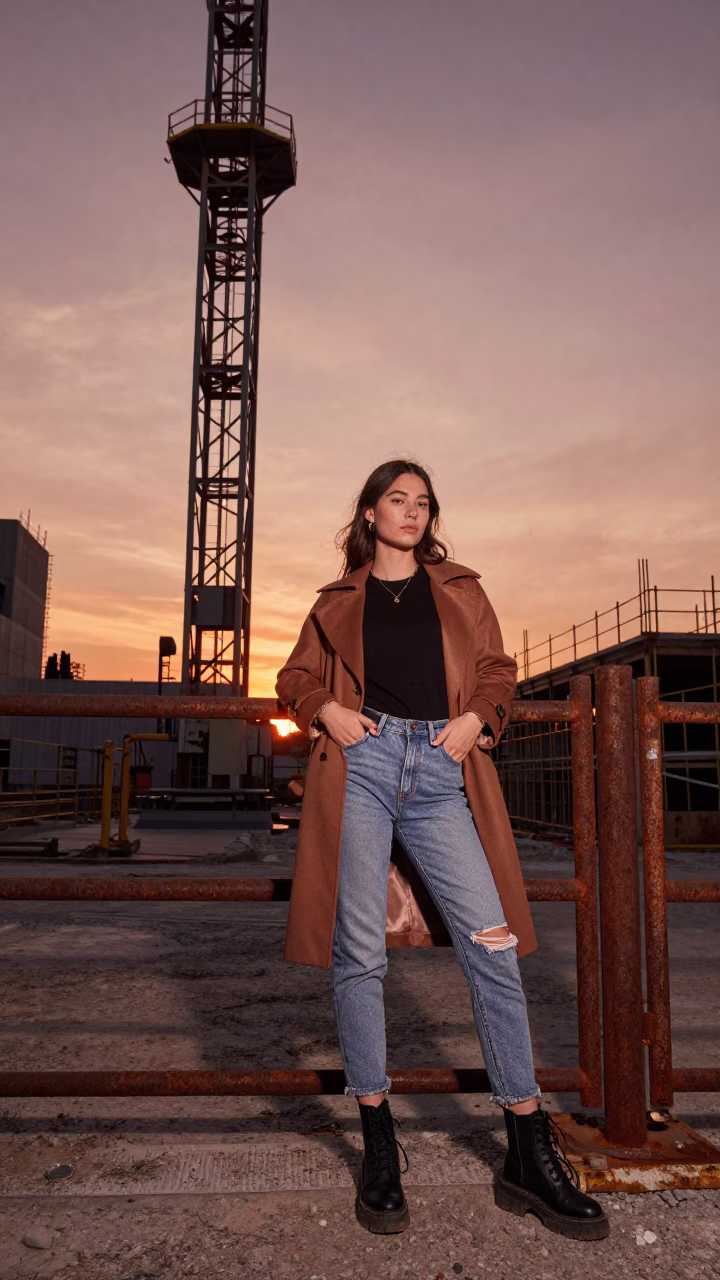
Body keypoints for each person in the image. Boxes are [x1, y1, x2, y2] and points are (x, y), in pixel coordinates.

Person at [276, 460, 608, 1241]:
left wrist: (478, 719)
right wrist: (324, 706)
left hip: (441, 767)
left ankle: (526, 1147)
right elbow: (292, 676)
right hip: (362, 765)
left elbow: (496, 667)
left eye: (423, 502)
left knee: (491, 946)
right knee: (361, 955)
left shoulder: (460, 588)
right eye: (397, 499)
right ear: (367, 513)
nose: (412, 511)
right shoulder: (335, 602)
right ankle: (379, 1141)